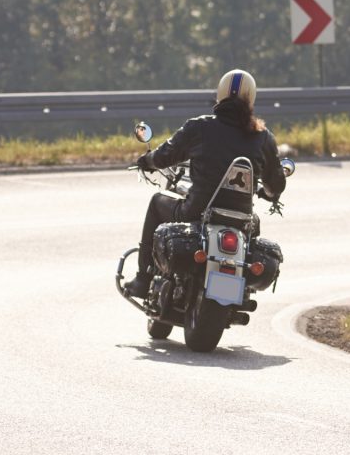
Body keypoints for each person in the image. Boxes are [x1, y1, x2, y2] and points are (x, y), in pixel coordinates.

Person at [123, 69, 287, 298]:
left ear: (220, 94)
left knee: (157, 202)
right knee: (254, 227)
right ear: (251, 98)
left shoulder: (200, 127)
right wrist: (269, 193)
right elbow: (276, 184)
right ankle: (243, 290)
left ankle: (143, 279)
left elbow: (165, 155)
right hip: (241, 219)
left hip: (196, 211)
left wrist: (147, 160)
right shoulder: (263, 138)